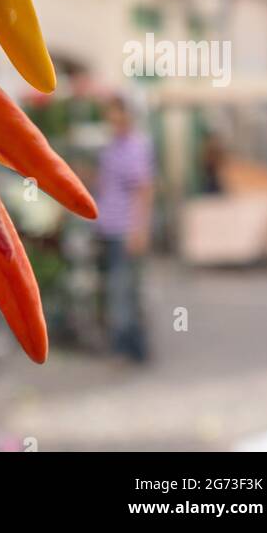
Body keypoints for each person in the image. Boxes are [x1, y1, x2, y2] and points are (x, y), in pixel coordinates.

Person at [96, 93, 154, 362]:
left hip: (125, 230)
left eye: (116, 112)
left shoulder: (135, 146)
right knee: (118, 288)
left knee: (125, 289)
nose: (112, 118)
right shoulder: (112, 147)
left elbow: (143, 190)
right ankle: (125, 345)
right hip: (110, 226)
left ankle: (132, 347)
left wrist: (138, 229)